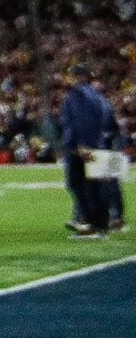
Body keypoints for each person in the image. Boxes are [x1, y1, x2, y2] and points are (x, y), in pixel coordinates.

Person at [59, 62, 118, 237]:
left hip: (81, 146)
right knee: (93, 184)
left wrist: (83, 144)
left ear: (79, 76)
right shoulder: (95, 95)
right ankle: (100, 223)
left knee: (80, 184)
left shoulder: (78, 95)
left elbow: (82, 121)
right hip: (94, 143)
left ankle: (93, 222)